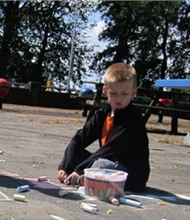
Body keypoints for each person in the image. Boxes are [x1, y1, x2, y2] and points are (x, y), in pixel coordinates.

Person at [57, 63, 150, 192]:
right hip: (106, 165)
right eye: (113, 93)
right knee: (79, 154)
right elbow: (79, 139)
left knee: (100, 163)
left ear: (133, 92)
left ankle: (81, 179)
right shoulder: (102, 114)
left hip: (131, 175)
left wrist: (80, 169)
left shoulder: (134, 119)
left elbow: (111, 148)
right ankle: (83, 177)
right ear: (105, 91)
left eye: (124, 94)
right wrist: (66, 166)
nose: (118, 98)